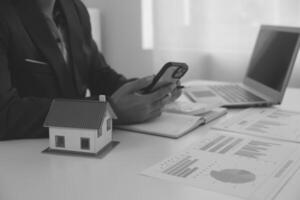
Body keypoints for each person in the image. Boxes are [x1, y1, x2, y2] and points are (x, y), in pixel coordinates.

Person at [0, 0, 181, 140]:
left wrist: (144, 91)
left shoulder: (75, 9)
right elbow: (5, 115)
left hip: (78, 149)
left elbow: (98, 75)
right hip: (26, 159)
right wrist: (107, 112)